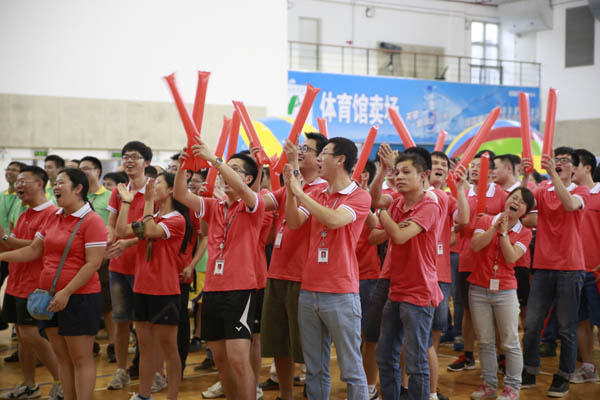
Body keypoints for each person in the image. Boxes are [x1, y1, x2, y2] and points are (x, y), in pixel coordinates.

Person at [0, 168, 107, 400]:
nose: (55, 187)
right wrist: (2, 256)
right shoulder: (53, 217)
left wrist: (66, 292)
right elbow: (33, 250)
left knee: (80, 358)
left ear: (78, 188)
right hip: (50, 297)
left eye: (61, 183)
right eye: (55, 183)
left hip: (79, 297)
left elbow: (93, 263)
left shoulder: (92, 220)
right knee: (63, 358)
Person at [174, 139, 265, 400]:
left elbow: (243, 189)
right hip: (213, 290)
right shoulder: (215, 206)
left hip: (240, 290)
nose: (226, 174)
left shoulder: (254, 204)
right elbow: (180, 195)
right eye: (227, 168)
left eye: (235, 170)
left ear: (248, 179)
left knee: (238, 360)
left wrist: (215, 160)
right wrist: (183, 166)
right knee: (221, 361)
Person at [283, 137, 370, 400]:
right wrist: (291, 191)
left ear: (341, 159)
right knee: (315, 369)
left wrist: (300, 193)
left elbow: (334, 220)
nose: (319, 158)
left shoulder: (359, 196)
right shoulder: (317, 194)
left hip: (341, 292)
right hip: (309, 290)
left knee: (351, 369)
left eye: (324, 154)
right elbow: (294, 221)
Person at [259, 133, 328, 400]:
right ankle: (285, 394)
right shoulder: (289, 186)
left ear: (320, 159)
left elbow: (296, 220)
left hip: (304, 277)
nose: (299, 152)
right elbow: (257, 203)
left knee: (307, 346)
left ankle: (315, 393)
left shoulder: (323, 190)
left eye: (306, 149)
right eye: (299, 148)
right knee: (279, 344)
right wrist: (255, 172)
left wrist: (293, 172)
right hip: (277, 272)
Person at [370, 152, 443, 400]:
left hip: (419, 292)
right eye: (397, 172)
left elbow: (399, 236)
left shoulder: (429, 205)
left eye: (406, 172)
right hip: (397, 288)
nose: (399, 177)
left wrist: (382, 215)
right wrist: (389, 220)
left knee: (415, 361)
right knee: (384, 354)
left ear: (423, 176)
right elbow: (374, 233)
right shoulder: (397, 204)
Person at [520, 147, 590, 397]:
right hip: (542, 267)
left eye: (565, 161)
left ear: (574, 168)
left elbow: (570, 205)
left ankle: (563, 375)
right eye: (556, 159)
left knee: (566, 327)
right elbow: (523, 207)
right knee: (531, 325)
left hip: (570, 268)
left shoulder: (581, 192)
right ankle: (530, 369)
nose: (559, 163)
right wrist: (524, 177)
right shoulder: (542, 191)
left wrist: (552, 176)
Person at [116, 173, 192, 400]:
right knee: (145, 346)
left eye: (158, 182)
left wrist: (147, 201)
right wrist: (127, 202)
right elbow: (121, 231)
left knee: (169, 347)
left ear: (171, 190)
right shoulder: (154, 216)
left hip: (165, 290)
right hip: (141, 287)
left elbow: (150, 231)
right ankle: (144, 395)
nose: (152, 185)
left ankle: (172, 397)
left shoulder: (177, 219)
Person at [0, 166, 62, 400]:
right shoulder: (25, 213)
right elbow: (16, 244)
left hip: (35, 284)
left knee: (31, 335)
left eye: (23, 181)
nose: (18, 185)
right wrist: (4, 239)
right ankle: (29, 386)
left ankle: (61, 382)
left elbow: (35, 248)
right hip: (16, 282)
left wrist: (4, 240)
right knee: (22, 337)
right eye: (17, 182)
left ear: (39, 184)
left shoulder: (52, 214)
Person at [468, 187, 534, 400]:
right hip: (478, 289)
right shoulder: (486, 220)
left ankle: (512, 388)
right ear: (506, 200)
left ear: (525, 211)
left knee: (509, 342)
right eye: (513, 198)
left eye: (521, 202)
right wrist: (494, 228)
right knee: (485, 341)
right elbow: (476, 245)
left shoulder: (525, 232)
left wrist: (504, 233)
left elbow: (511, 257)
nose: (515, 202)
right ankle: (488, 386)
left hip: (505, 290)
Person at [448, 150, 508, 373]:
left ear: (491, 173)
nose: (474, 170)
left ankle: (502, 356)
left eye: (479, 167)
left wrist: (490, 222)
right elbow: (458, 224)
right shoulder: (462, 194)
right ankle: (468, 355)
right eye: (471, 166)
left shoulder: (502, 195)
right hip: (467, 259)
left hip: (492, 262)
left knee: (496, 312)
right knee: (467, 310)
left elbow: (509, 224)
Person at [106, 141, 153, 390]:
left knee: (146, 324)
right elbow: (112, 224)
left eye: (135, 156)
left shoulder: (154, 190)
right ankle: (121, 370)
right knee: (121, 320)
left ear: (147, 162)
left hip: (146, 265)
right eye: (125, 157)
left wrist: (128, 242)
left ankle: (153, 372)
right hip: (119, 265)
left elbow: (154, 230)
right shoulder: (119, 191)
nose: (129, 161)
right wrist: (109, 240)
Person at [80, 156, 116, 362]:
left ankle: (113, 344)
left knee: (107, 305)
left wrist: (105, 252)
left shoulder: (110, 196)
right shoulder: (77, 196)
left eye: (87, 168)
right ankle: (90, 343)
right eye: (80, 168)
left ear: (98, 171)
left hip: (104, 257)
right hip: (81, 258)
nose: (83, 171)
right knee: (86, 303)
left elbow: (114, 225)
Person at [570, 148, 600, 384]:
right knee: (581, 320)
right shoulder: (571, 197)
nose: (570, 169)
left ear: (587, 167)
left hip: (597, 271)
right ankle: (588, 367)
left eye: (575, 164)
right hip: (576, 270)